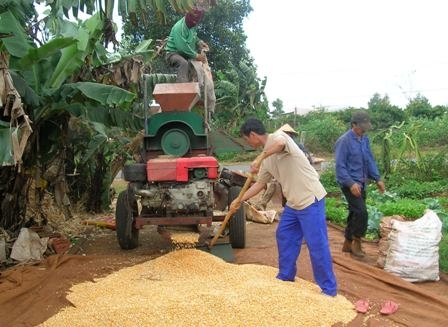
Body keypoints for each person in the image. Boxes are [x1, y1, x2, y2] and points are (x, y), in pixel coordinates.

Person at [230, 118, 338, 297]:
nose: (248, 143)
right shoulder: (266, 160)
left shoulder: (278, 137)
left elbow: (280, 144)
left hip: (310, 199)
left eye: (246, 139)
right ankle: (286, 276)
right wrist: (239, 200)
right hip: (293, 204)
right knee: (284, 235)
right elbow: (259, 185)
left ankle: (328, 289)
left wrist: (261, 156)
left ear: (253, 135)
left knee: (316, 245)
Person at [335, 111, 386, 258]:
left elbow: (369, 160)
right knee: (362, 212)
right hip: (349, 183)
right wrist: (351, 183)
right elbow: (340, 166)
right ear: (354, 125)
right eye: (362, 127)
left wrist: (377, 179)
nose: (364, 130)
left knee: (354, 212)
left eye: (366, 127)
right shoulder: (344, 141)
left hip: (362, 182)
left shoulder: (364, 140)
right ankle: (357, 241)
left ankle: (347, 242)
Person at [165, 9, 209, 83]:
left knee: (196, 68)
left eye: (196, 22)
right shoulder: (179, 27)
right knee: (183, 63)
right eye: (193, 21)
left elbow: (194, 37)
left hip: (186, 55)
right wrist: (197, 56)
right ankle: (181, 88)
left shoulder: (193, 26)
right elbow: (182, 48)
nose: (194, 23)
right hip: (172, 54)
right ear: (187, 16)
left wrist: (200, 42)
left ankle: (193, 87)